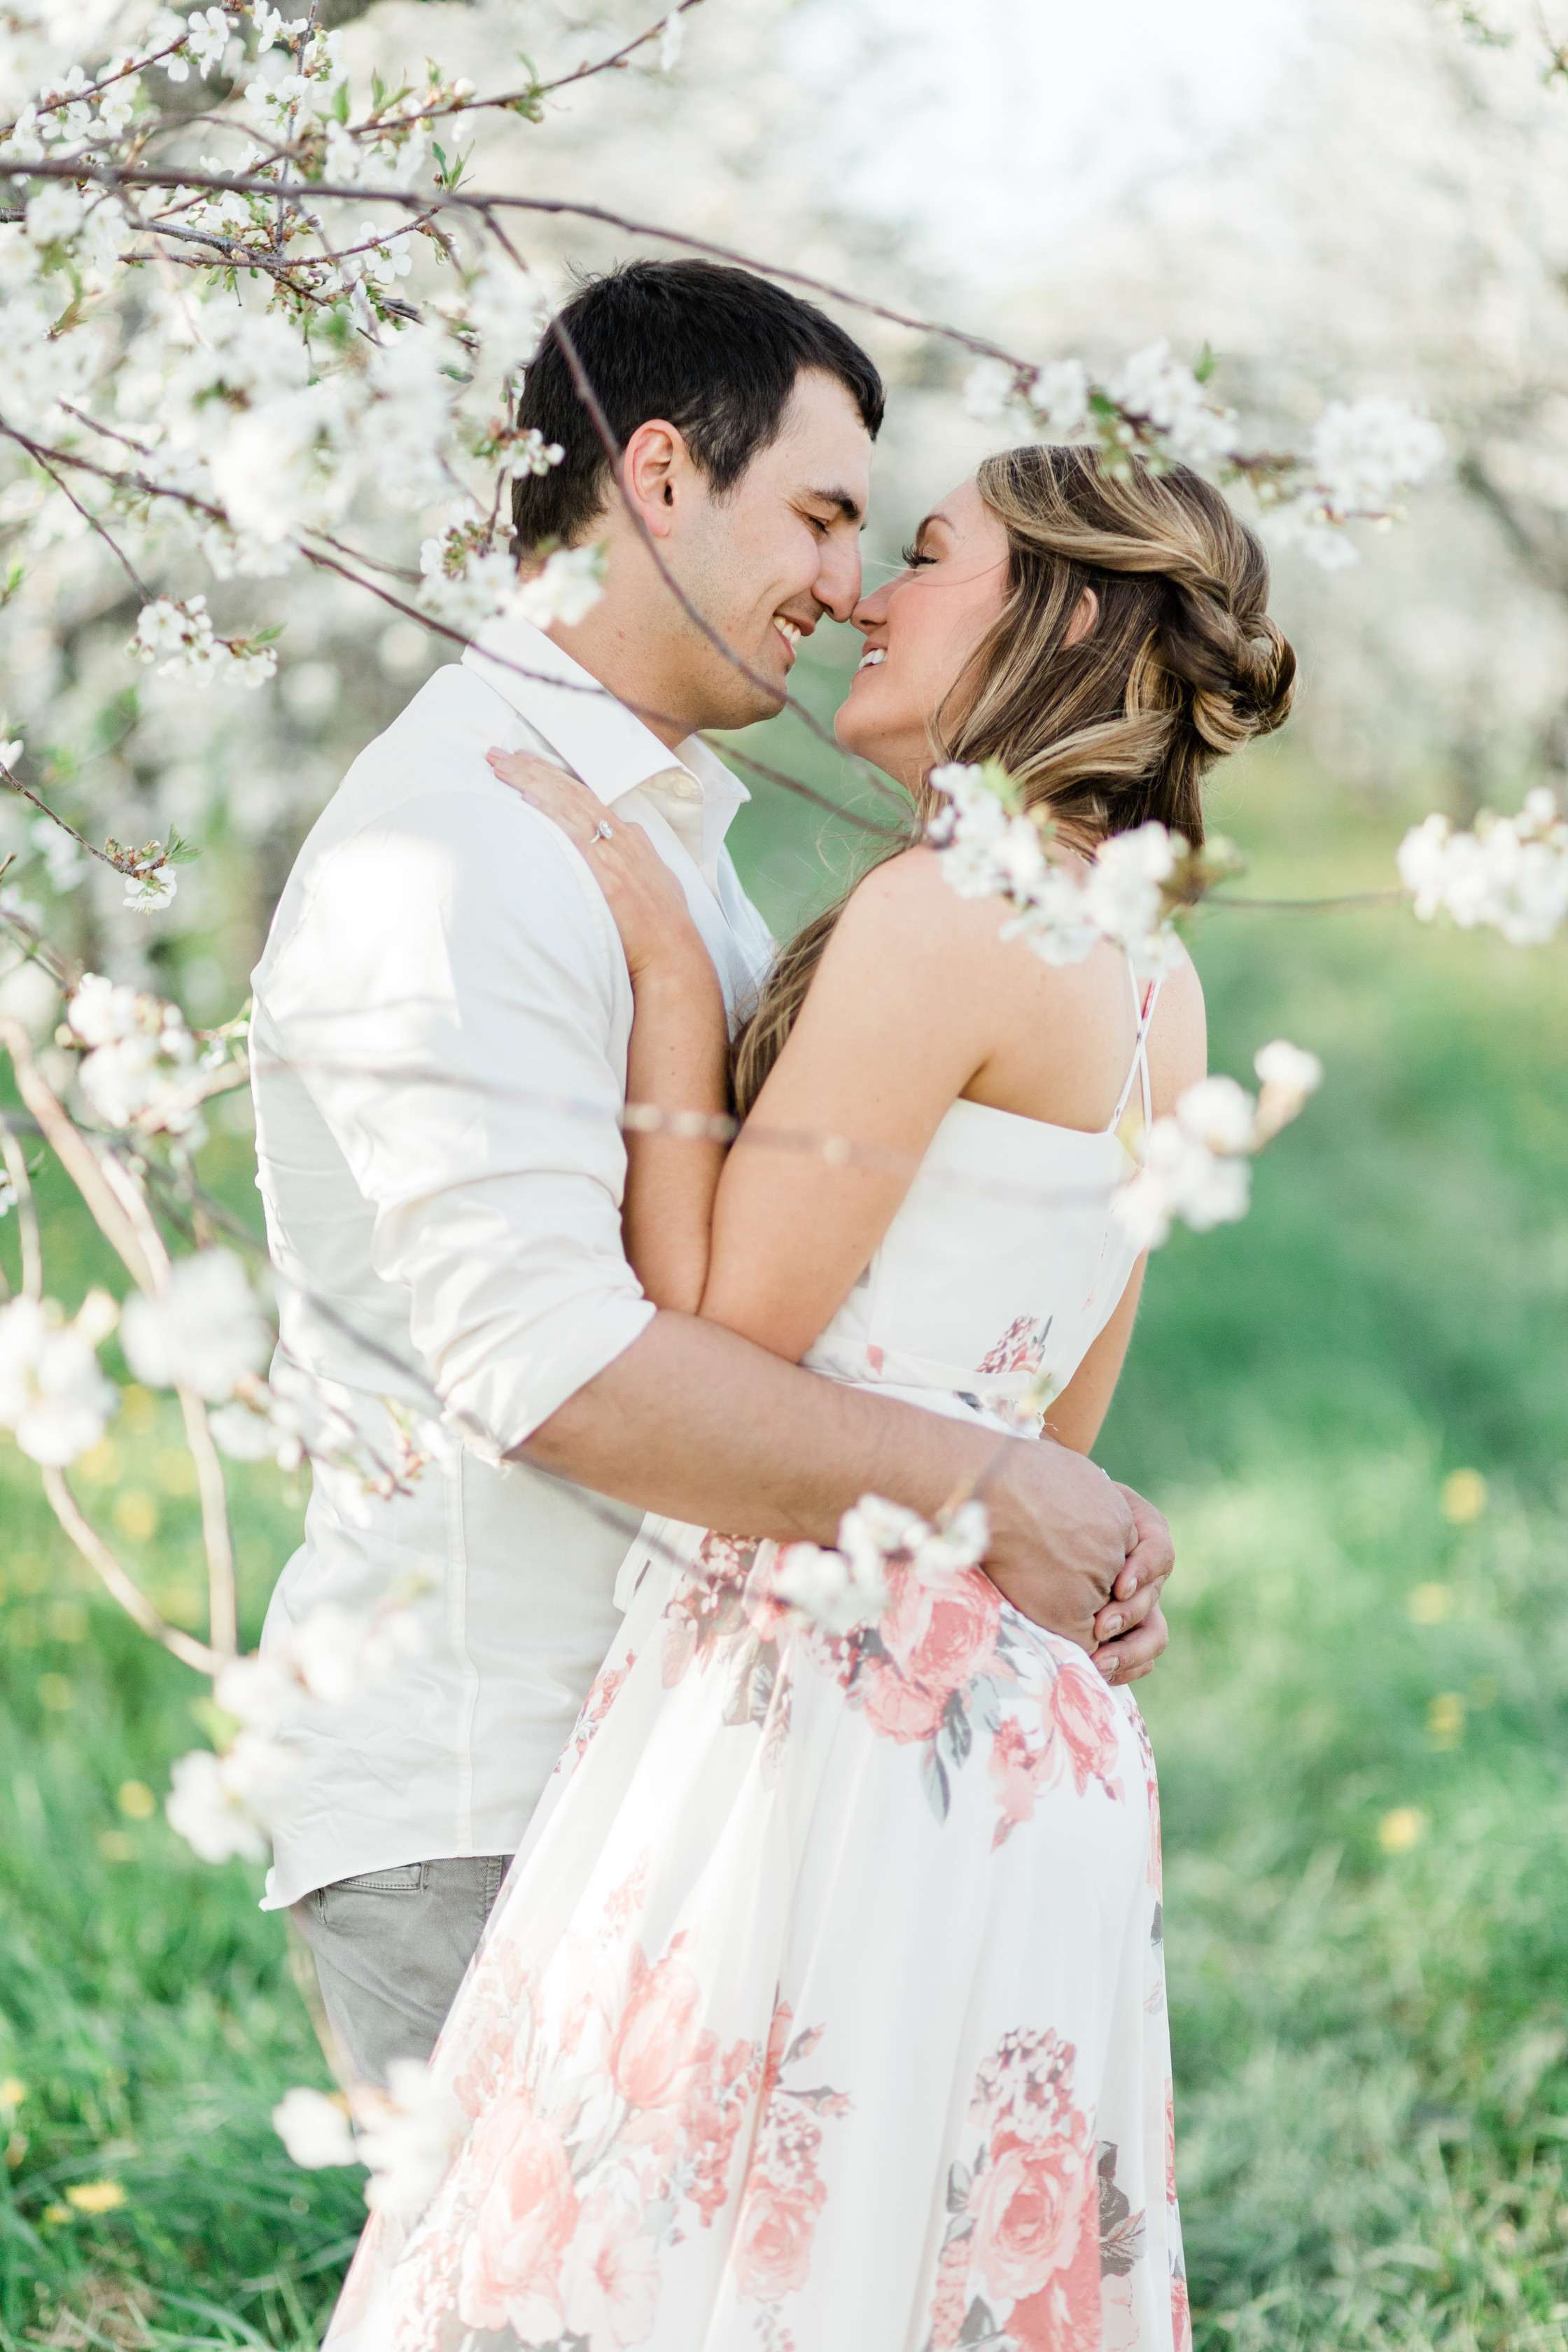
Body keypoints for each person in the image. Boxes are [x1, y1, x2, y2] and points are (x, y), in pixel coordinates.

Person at [323, 445, 1296, 2348]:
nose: (872, 594)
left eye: (929, 557)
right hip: (1029, 1742)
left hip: (825, 1711)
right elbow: (1054, 1444)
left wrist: (668, 960)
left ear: (1067, 617)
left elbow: (713, 1325)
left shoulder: (952, 915)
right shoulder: (1158, 982)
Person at [249, 261, 1173, 2092]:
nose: (847, 586)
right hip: (487, 1801)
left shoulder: (676, 846)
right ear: (657, 476)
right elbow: (551, 1369)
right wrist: (996, 1492)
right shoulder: (458, 851)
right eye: (824, 517)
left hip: (694, 1772)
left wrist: (1046, 1499)